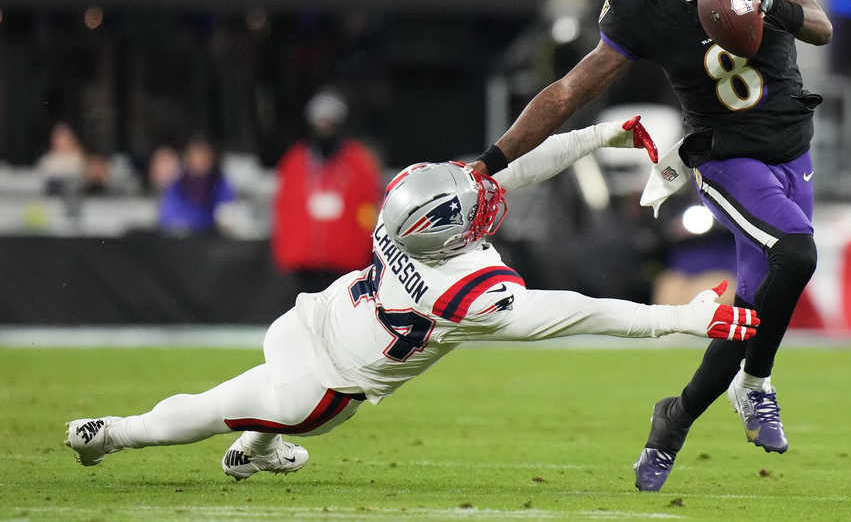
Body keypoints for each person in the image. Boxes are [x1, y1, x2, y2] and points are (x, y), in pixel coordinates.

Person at [65, 116, 759, 481]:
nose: (490, 205)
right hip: (323, 388)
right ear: (448, 236)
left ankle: (257, 451)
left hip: (312, 315)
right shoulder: (463, 290)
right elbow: (579, 311)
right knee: (222, 404)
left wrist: (595, 136)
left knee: (247, 398)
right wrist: (682, 317)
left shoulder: (413, 203)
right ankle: (115, 434)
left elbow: (511, 171)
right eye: (477, 211)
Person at [470, 0, 833, 492]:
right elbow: (568, 92)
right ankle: (757, 384)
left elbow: (821, 26)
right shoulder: (639, 3)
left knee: (748, 311)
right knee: (797, 254)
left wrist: (771, 6)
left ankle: (675, 419)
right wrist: (491, 162)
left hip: (792, 148)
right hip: (726, 156)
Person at [271, 90, 383, 295]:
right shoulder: (295, 161)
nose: (324, 129)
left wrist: (363, 242)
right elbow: (284, 207)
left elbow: (369, 207)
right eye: (320, 123)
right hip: (304, 258)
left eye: (330, 124)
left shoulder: (358, 164)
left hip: (345, 258)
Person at [158, 135, 236, 234]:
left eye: (204, 158)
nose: (199, 162)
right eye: (195, 157)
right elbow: (167, 217)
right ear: (188, 158)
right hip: (183, 241)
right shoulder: (176, 185)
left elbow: (227, 216)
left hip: (213, 242)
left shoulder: (220, 185)